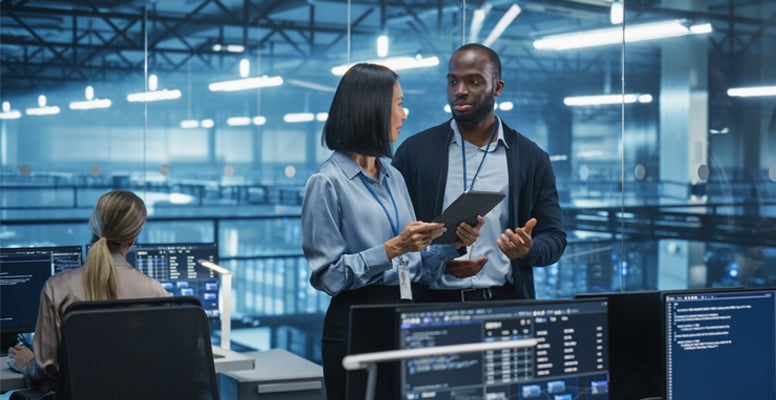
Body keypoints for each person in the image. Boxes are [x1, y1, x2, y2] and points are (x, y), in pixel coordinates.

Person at [301, 63, 482, 400]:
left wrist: (450, 244)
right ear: (371, 110)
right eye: (398, 104)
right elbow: (327, 276)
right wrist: (392, 248)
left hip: (406, 318)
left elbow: (413, 264)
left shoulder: (393, 177)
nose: (404, 113)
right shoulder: (326, 183)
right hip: (356, 323)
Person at [392, 43, 567, 302]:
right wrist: (438, 263)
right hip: (431, 303)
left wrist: (528, 250)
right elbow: (393, 238)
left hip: (504, 302)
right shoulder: (415, 153)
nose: (460, 91)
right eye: (453, 82)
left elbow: (554, 238)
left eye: (474, 81)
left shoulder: (531, 159)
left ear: (498, 87)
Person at [6, 190, 170, 392]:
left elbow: (46, 374)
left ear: (93, 225)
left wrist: (28, 363)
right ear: (133, 239)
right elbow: (165, 363)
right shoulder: (156, 292)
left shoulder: (57, 288)